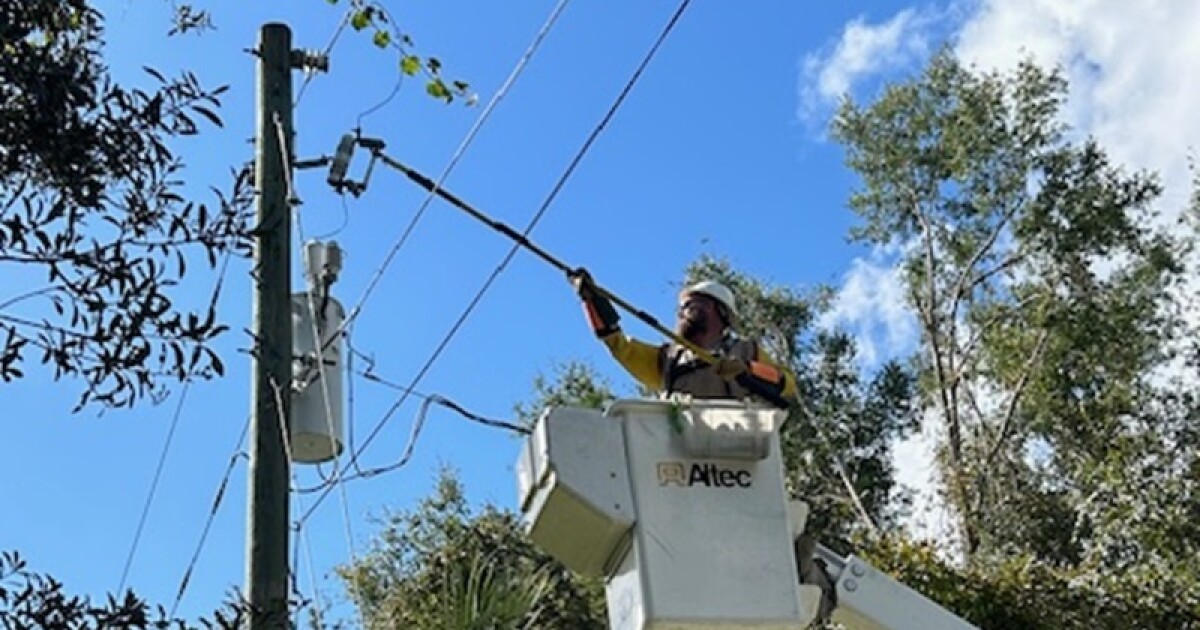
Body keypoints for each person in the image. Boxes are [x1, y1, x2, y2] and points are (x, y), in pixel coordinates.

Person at [567, 269, 797, 406]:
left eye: (690, 305)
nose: (681, 313)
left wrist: (747, 369)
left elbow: (787, 384)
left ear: (718, 310)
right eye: (681, 308)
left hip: (733, 453)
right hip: (681, 462)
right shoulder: (666, 359)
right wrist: (592, 300)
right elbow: (616, 342)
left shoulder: (746, 351)